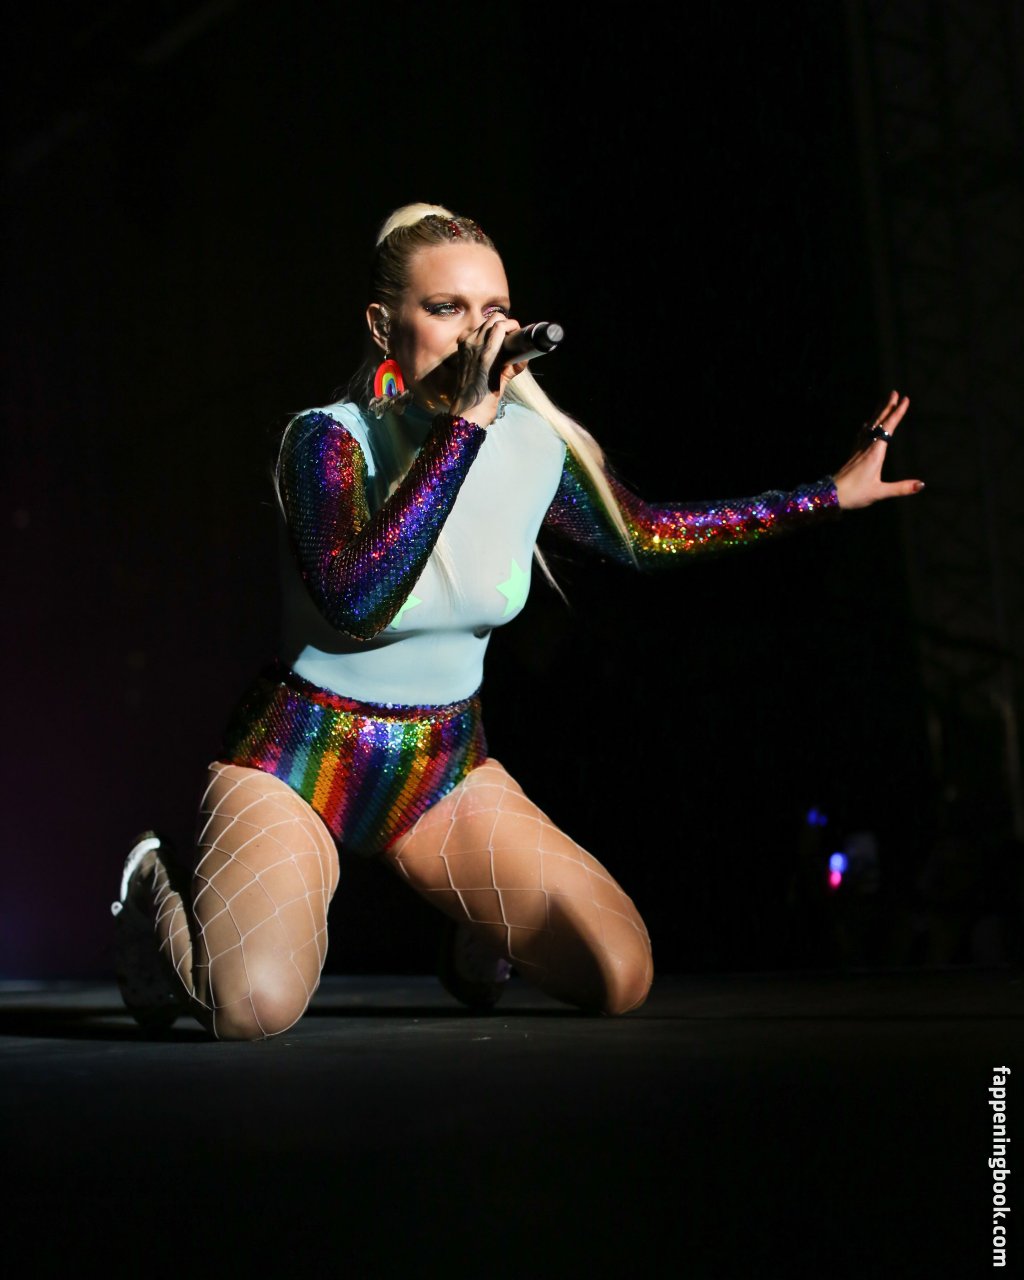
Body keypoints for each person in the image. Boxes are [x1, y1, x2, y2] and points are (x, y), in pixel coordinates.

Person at [111, 201, 922, 1040]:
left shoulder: (533, 447)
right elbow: (358, 600)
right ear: (383, 325)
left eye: (493, 310)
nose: (479, 334)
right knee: (251, 1008)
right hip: (295, 760)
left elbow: (647, 537)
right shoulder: (327, 441)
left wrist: (827, 496)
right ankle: (151, 887)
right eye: (446, 308)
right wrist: (463, 425)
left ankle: (477, 927)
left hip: (438, 769)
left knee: (620, 974)